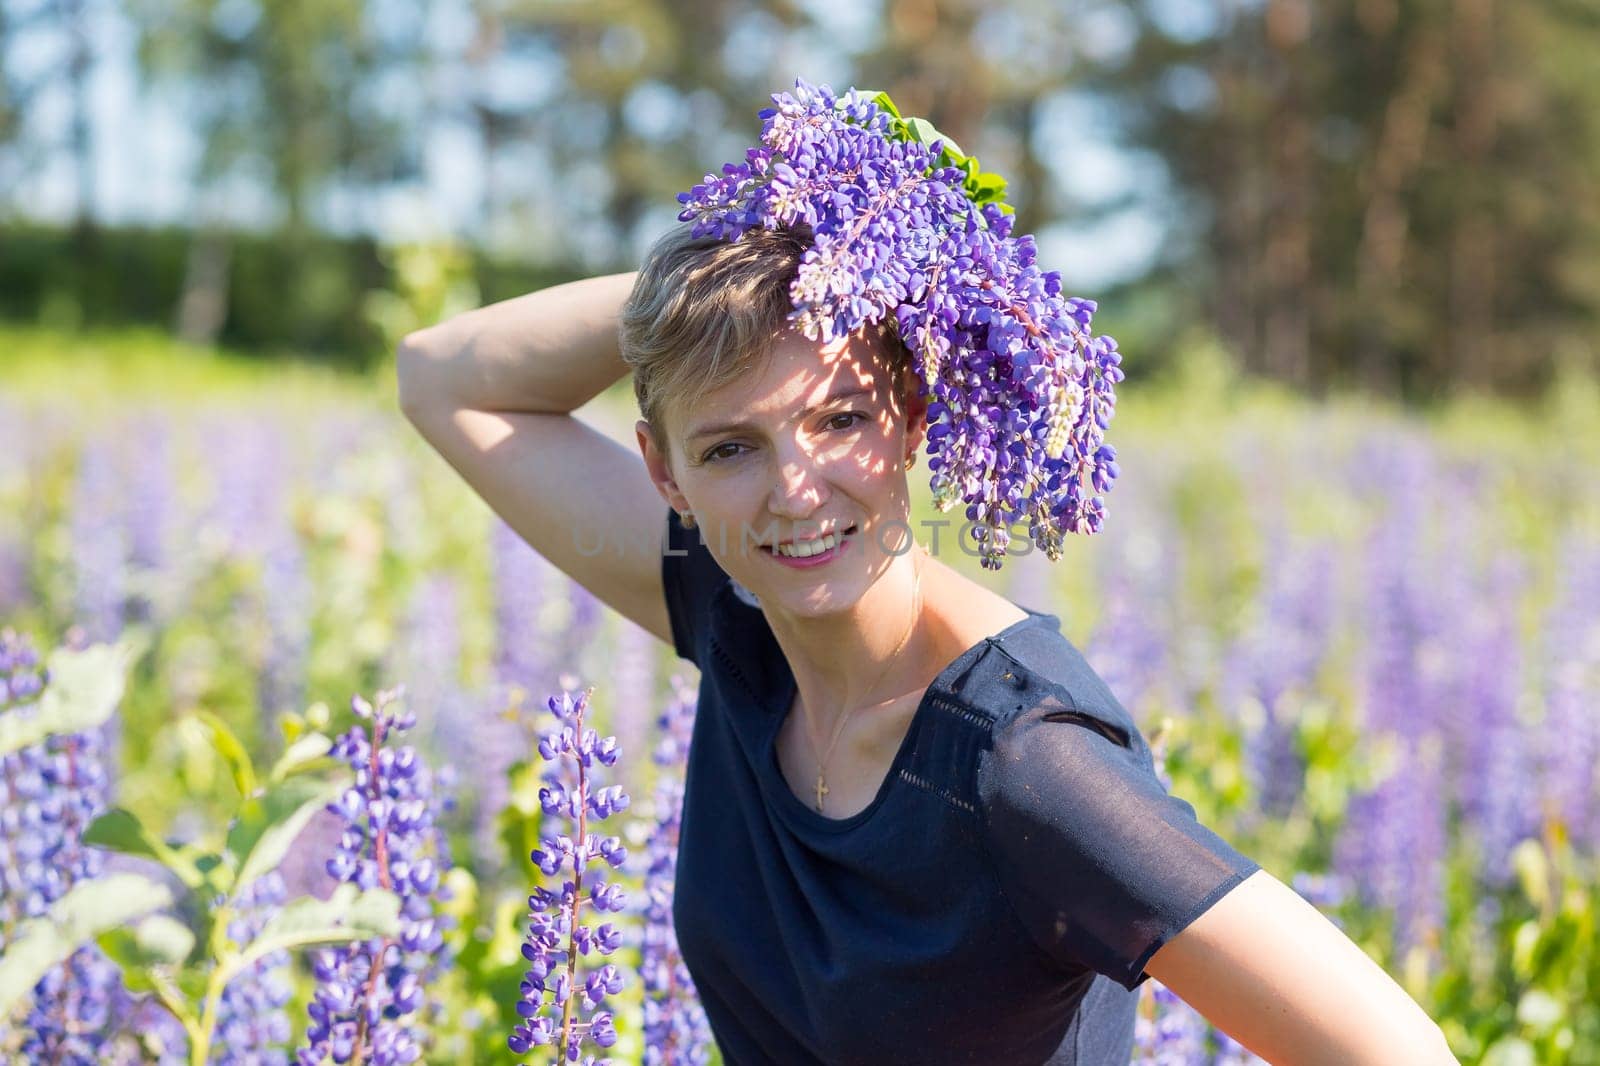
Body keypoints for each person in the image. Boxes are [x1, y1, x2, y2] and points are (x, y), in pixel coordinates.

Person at [396, 224, 1458, 1065]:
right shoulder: (741, 618)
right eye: (730, 446)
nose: (795, 490)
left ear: (911, 413)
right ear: (663, 474)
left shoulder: (1024, 761)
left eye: (839, 419)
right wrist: (746, 242)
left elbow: (1392, 1050)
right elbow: (441, 377)